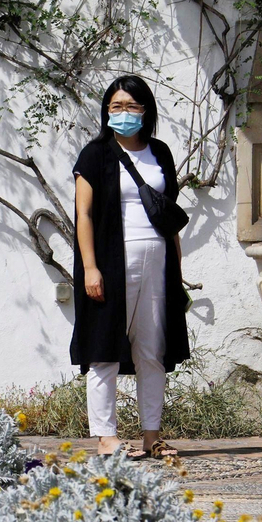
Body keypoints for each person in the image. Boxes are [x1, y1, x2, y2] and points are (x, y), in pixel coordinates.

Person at [69, 75, 191, 458]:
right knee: (104, 349)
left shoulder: (160, 153)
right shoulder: (94, 155)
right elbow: (84, 214)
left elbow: (168, 213)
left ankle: (152, 435)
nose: (124, 113)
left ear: (146, 110)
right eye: (116, 107)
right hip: (109, 259)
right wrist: (90, 268)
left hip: (157, 258)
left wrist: (178, 266)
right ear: (106, 111)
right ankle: (106, 437)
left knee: (152, 349)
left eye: (132, 106)